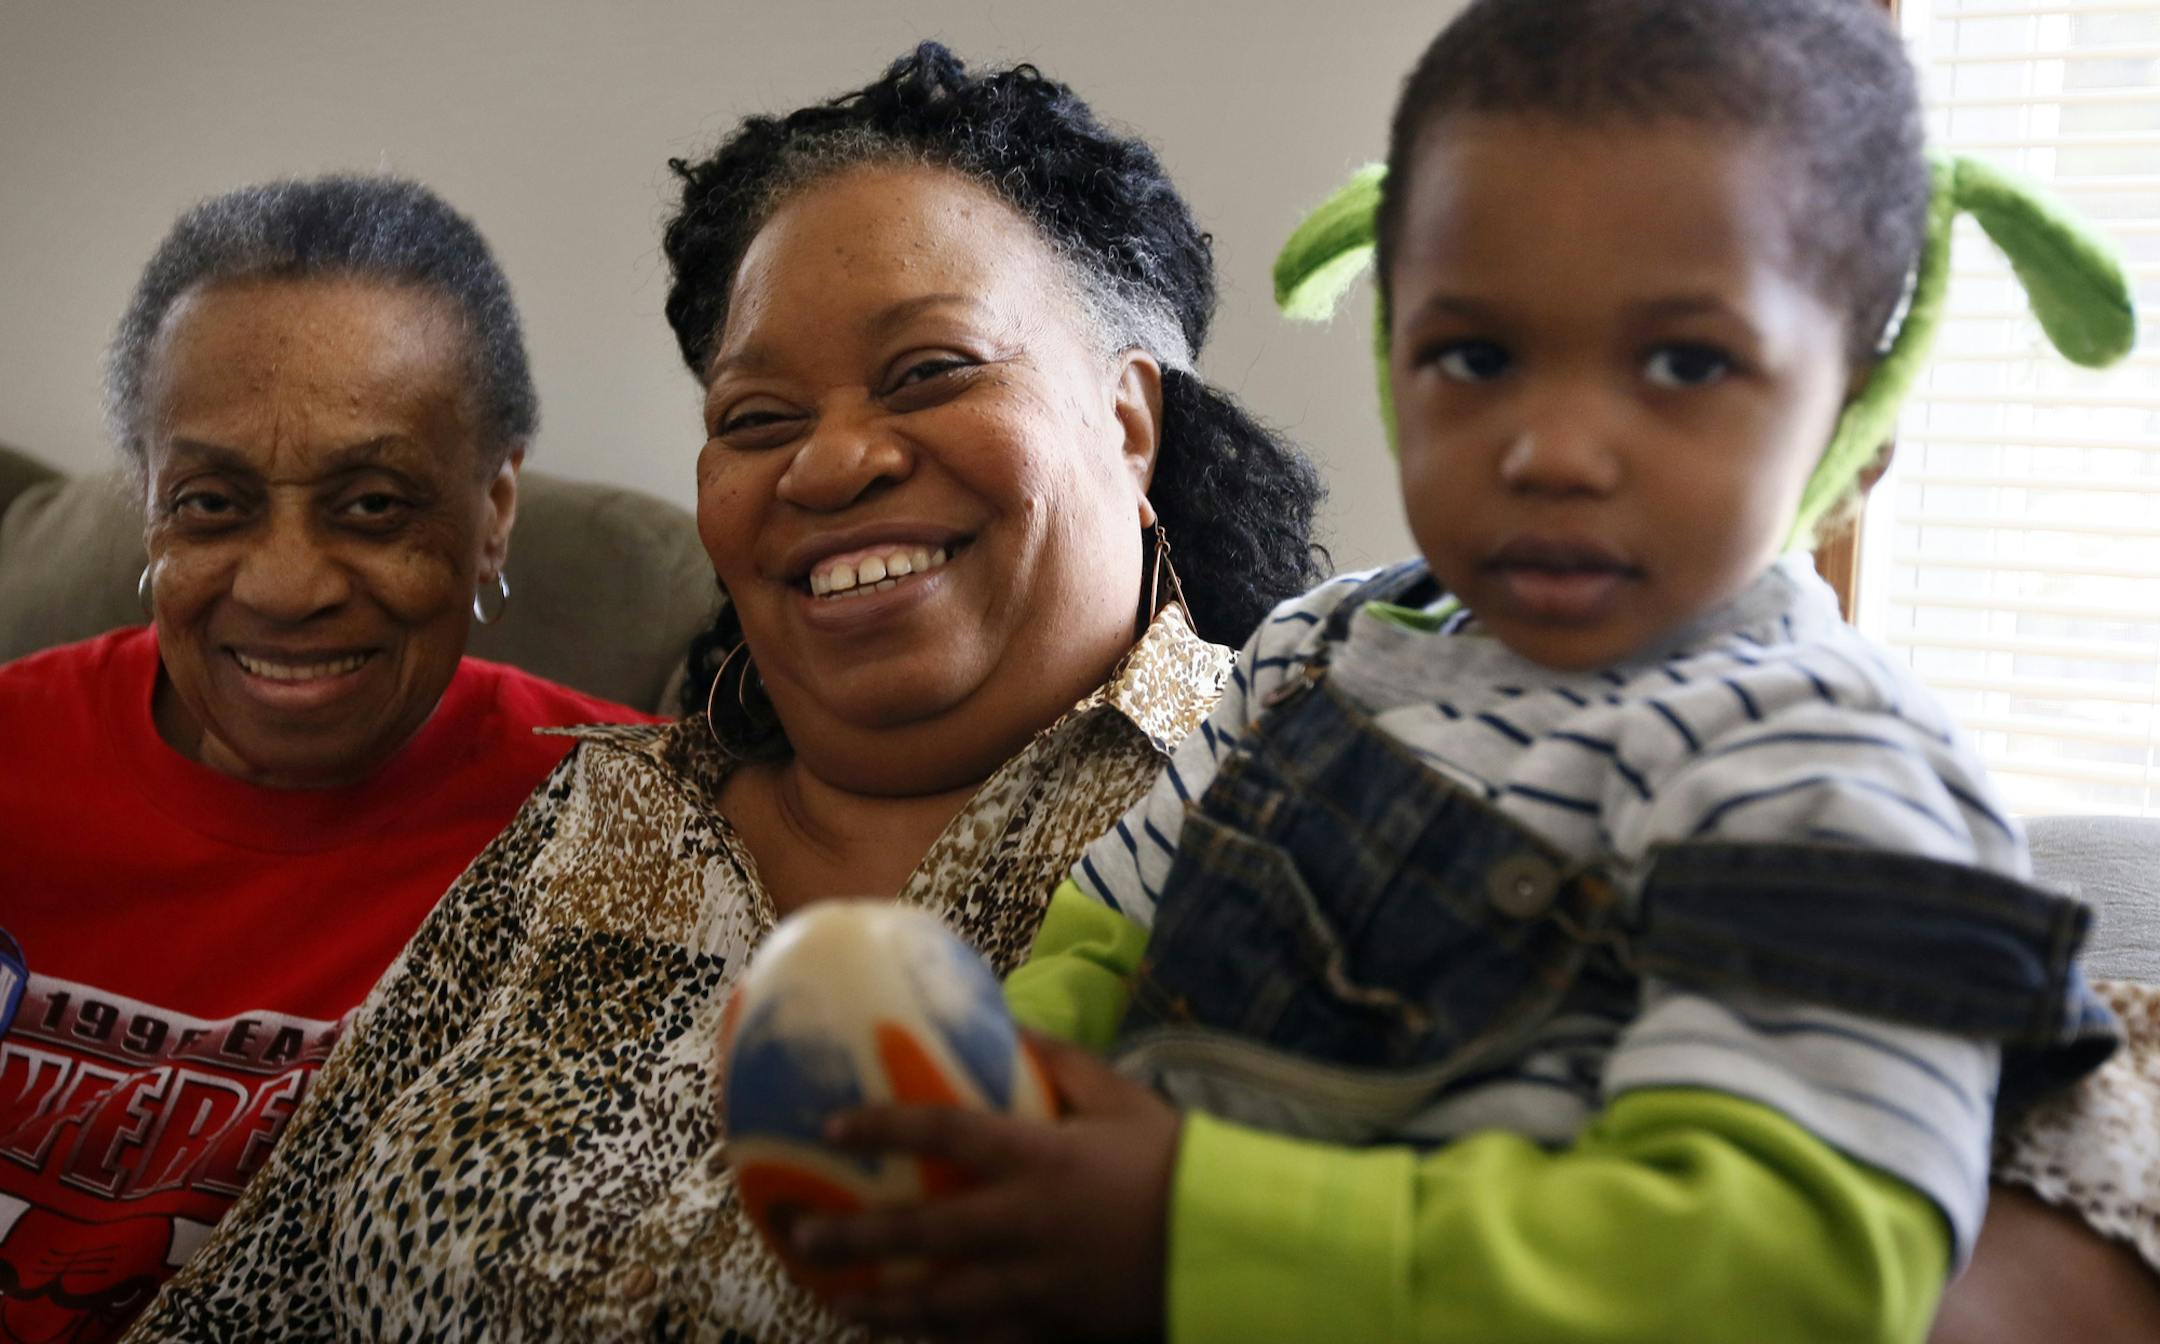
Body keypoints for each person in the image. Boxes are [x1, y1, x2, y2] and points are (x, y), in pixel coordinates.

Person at [789, 4, 2129, 1341]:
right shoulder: (1312, 657)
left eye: (1684, 362)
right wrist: (1007, 1101)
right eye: (1474, 356)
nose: (1551, 448)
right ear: (1392, 365)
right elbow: (1110, 927)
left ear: (1857, 420)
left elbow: (1784, 1270)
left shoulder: (1829, 770)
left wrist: (1188, 1227)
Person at [119, 44, 1325, 1341]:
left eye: (930, 371)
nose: (831, 460)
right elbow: (261, 1282)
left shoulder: (1296, 805)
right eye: (756, 417)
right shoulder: (598, 815)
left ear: (1130, 421)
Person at [0, 175, 655, 1344]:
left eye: (371, 505)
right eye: (212, 504)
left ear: (494, 507)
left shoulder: (632, 831)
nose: (286, 586)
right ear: (147, 506)